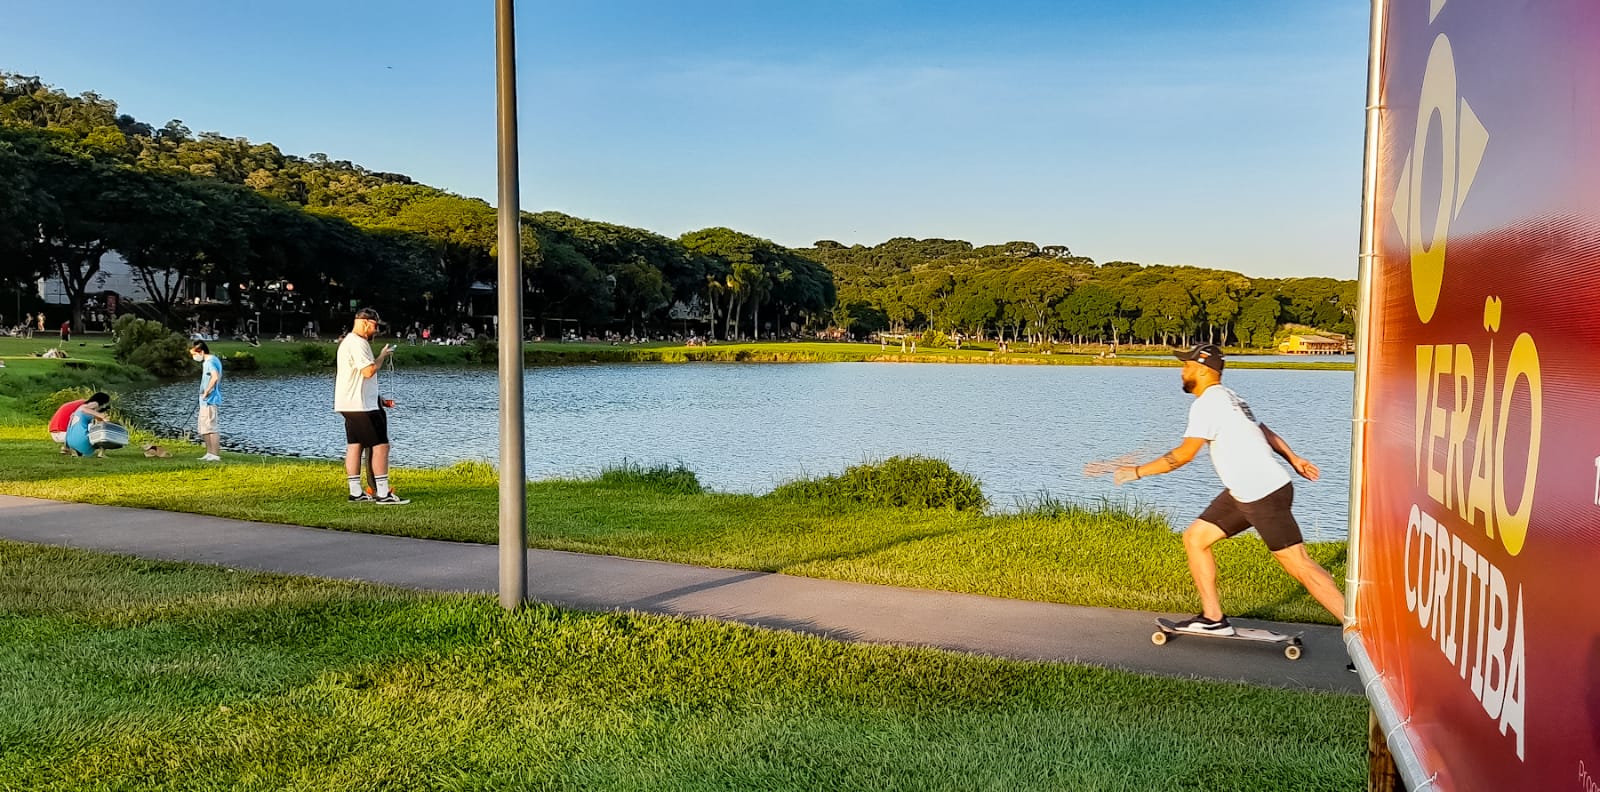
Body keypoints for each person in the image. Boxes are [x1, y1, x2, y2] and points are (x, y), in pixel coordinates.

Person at [1111, 343, 1345, 635]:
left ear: (1202, 369)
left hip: (1262, 492)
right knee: (1196, 538)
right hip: (1247, 490)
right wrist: (1294, 458)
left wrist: (1136, 472)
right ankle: (1213, 618)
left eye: (1186, 365)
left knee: (1300, 565)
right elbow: (1264, 431)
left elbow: (1183, 455)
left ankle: (1363, 634)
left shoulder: (1208, 403)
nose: (1182, 371)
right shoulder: (1230, 398)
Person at [335, 307, 408, 504]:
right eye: (375, 326)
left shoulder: (348, 342)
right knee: (381, 446)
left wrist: (379, 397)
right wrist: (382, 356)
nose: (376, 330)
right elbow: (368, 371)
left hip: (349, 403)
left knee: (355, 445)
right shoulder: (358, 343)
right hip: (362, 406)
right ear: (365, 322)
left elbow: (357, 378)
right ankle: (383, 493)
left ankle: (356, 491)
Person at [191, 341, 223, 461]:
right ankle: (209, 453)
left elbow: (215, 377)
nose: (194, 357)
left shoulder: (210, 362)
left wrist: (207, 391)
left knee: (211, 428)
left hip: (209, 399)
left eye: (195, 354)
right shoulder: (211, 361)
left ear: (202, 351)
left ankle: (215, 454)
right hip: (204, 401)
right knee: (205, 428)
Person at [64, 392, 111, 458]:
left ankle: (77, 451)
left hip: (70, 441)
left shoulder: (78, 410)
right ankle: (101, 454)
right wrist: (101, 415)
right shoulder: (95, 403)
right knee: (103, 434)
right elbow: (85, 409)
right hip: (80, 440)